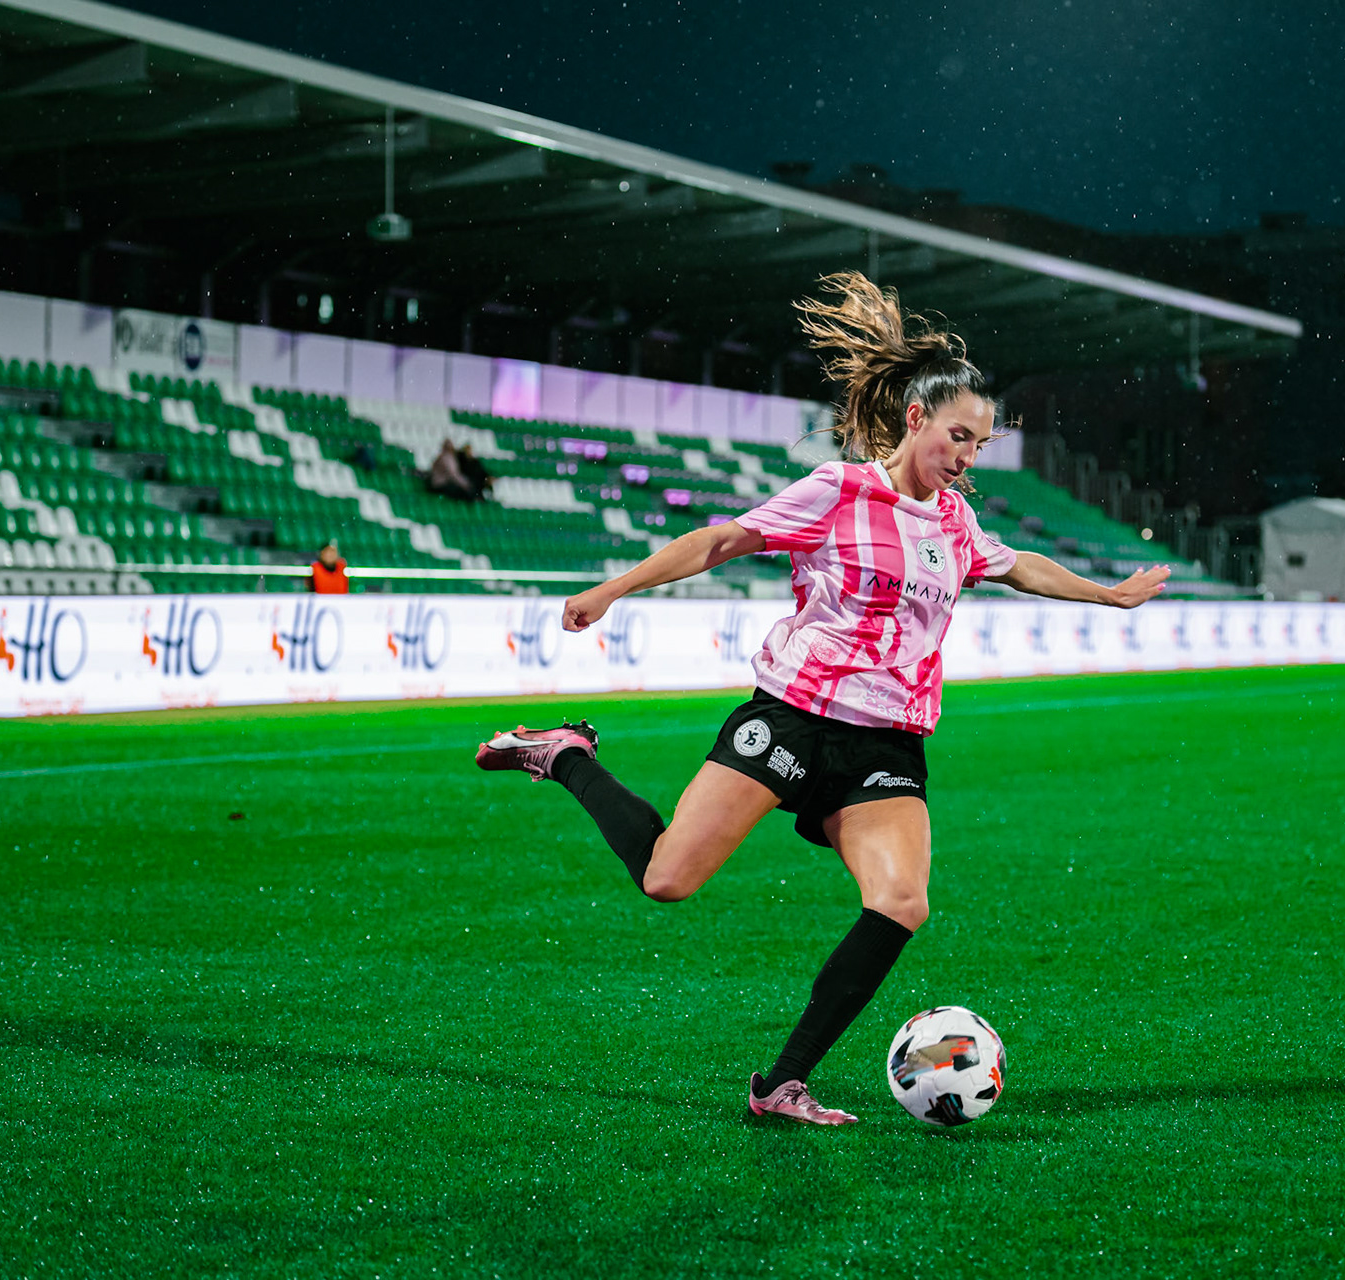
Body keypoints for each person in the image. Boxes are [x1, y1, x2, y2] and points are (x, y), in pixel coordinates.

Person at [475, 273, 1172, 1125]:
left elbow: (1016, 562)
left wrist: (1105, 594)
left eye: (981, 446)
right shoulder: (837, 490)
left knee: (902, 900)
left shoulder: (954, 521)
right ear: (916, 419)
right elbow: (723, 539)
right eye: (958, 436)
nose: (966, 457)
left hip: (885, 748)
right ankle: (568, 755)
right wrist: (615, 589)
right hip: (794, 717)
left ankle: (782, 1083)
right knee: (666, 880)